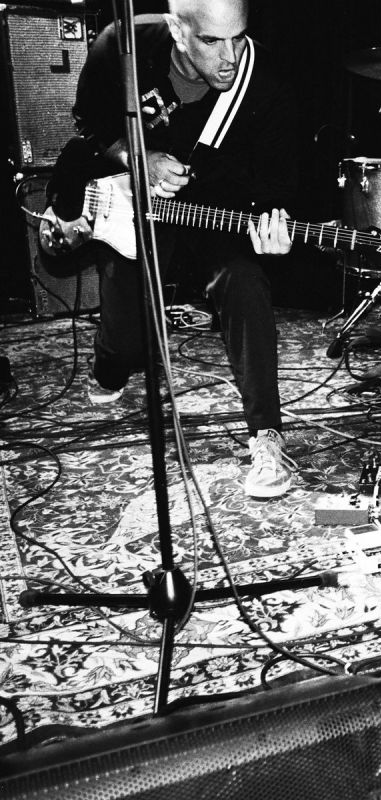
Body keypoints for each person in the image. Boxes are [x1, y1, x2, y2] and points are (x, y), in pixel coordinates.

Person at [47, 0, 299, 499]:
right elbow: (89, 123)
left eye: (238, 37)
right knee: (124, 351)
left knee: (245, 282)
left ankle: (268, 436)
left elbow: (277, 182)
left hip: (211, 217)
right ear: (177, 30)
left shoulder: (265, 82)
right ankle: (109, 363)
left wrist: (275, 228)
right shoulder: (120, 46)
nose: (230, 57)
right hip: (129, 209)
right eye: (211, 41)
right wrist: (136, 156)